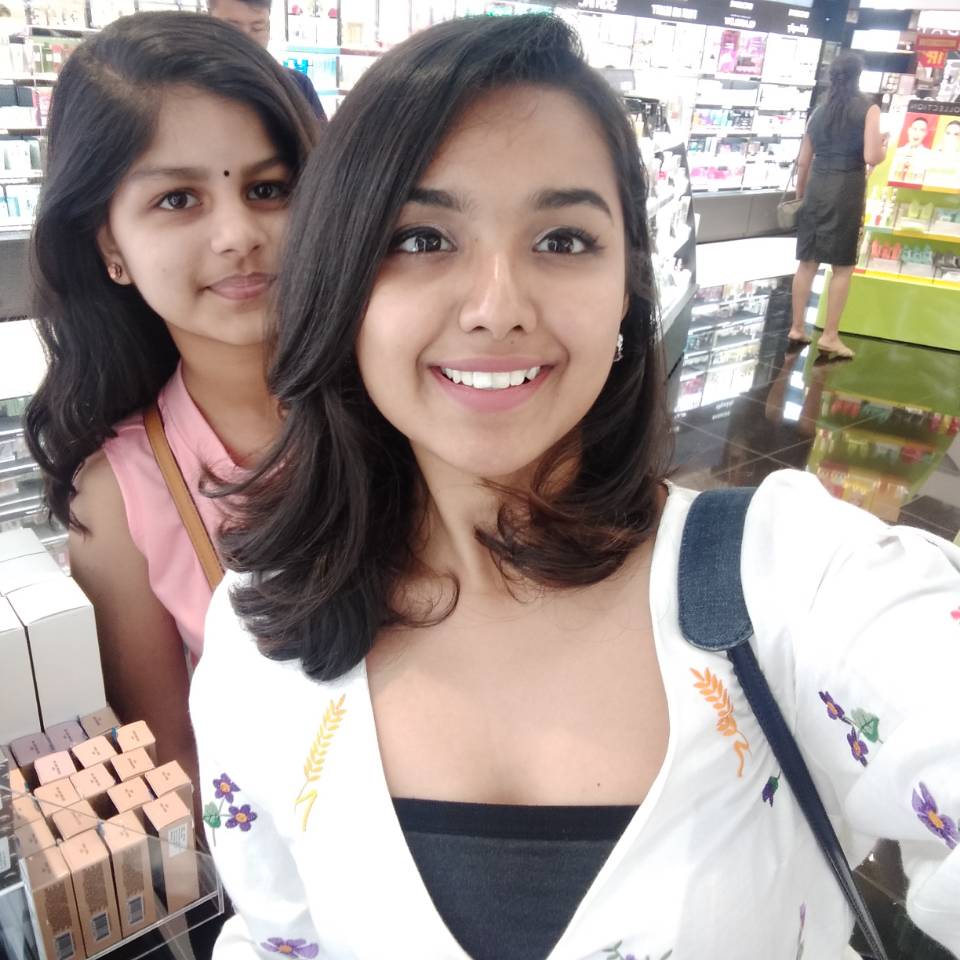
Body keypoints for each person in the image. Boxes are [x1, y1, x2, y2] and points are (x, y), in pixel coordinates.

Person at [191, 15, 960, 960]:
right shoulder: (264, 634)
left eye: (562, 239)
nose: (498, 307)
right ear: (339, 282)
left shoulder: (789, 581)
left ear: (628, 287)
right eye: (422, 238)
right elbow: (276, 937)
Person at [24, 12, 319, 789]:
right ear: (109, 244)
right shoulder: (122, 500)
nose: (238, 234)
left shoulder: (408, 404)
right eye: (178, 199)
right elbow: (177, 776)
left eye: (268, 189)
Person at [788, 52, 886, 360]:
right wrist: (883, 147)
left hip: (816, 188)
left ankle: (796, 327)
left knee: (807, 262)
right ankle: (830, 336)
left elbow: (803, 161)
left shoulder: (818, 112)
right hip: (846, 190)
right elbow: (871, 156)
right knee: (842, 266)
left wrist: (801, 194)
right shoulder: (868, 109)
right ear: (859, 76)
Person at [208, 0, 327, 123]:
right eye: (232, 28)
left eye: (257, 28)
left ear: (268, 29)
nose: (246, 40)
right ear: (208, 25)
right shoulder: (196, 88)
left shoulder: (298, 87)